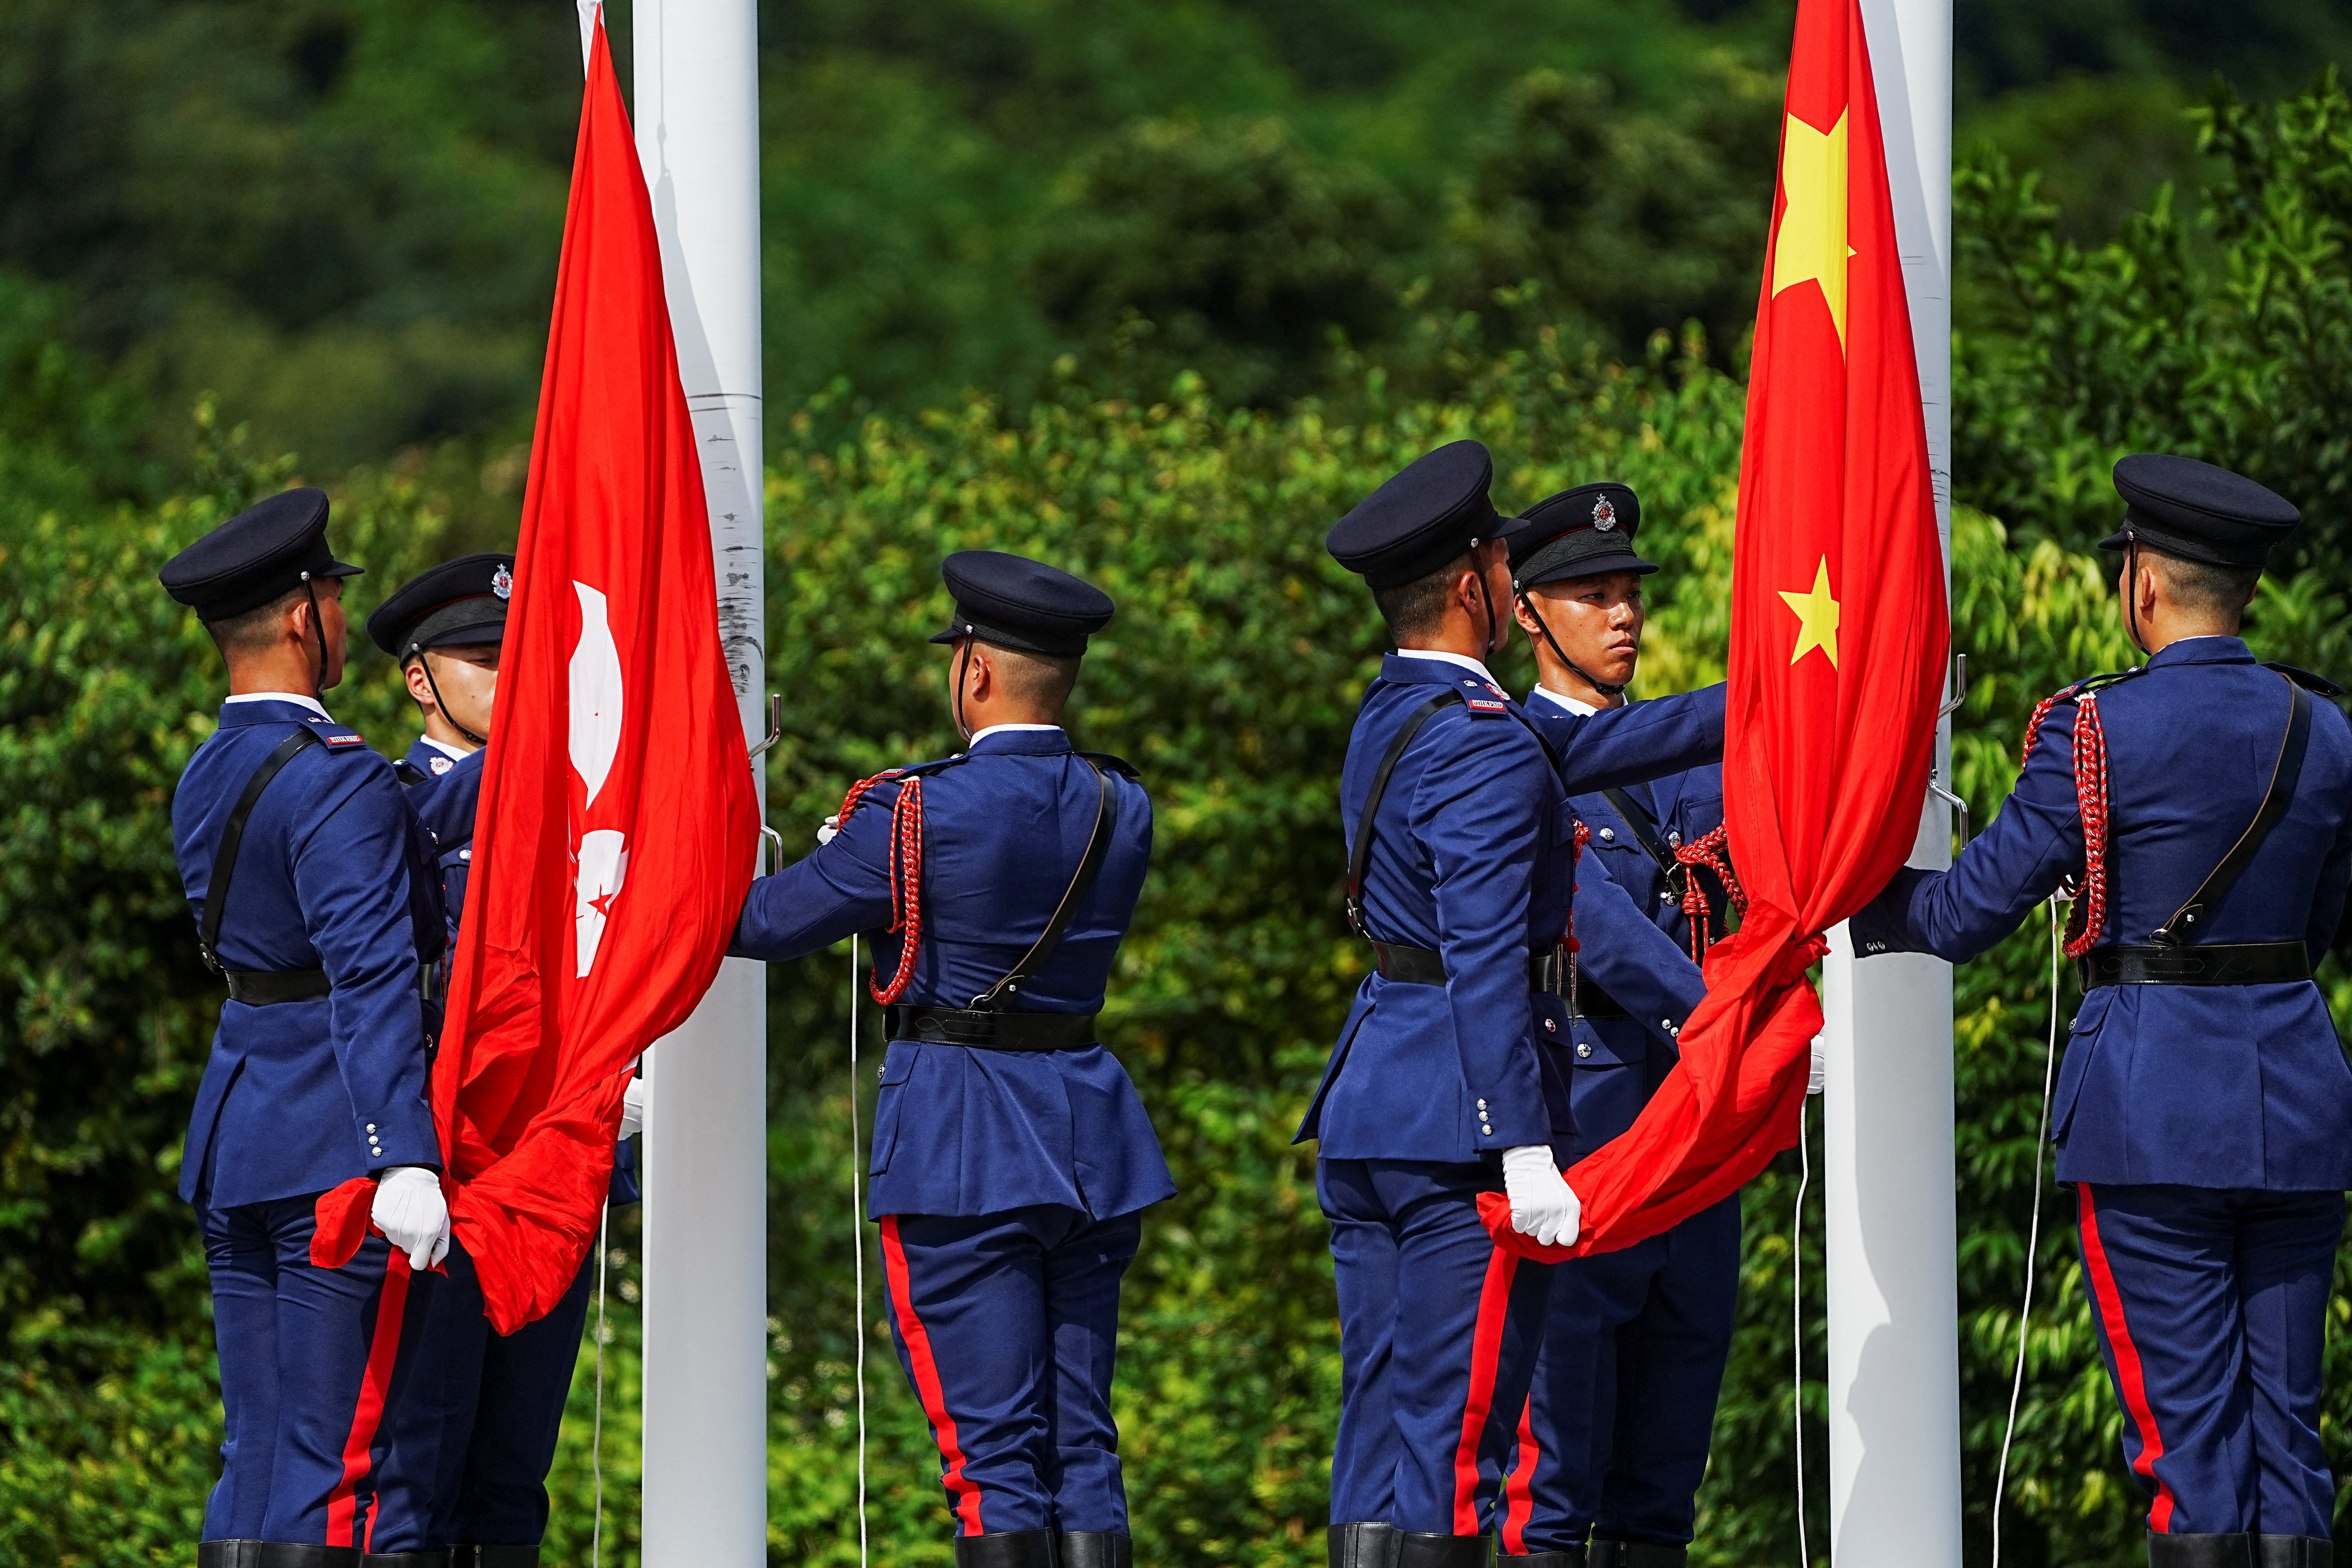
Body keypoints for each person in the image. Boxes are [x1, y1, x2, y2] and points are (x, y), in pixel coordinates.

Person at [1851, 455, 2352, 1568]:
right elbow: (2316, 925)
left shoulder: (2097, 729)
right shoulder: (2324, 728)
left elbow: (1971, 909)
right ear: (2248, 590)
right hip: (2300, 1110)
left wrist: (1846, 897)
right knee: (2289, 1442)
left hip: (2153, 1113)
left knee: (2190, 1454)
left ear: (2143, 586)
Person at [1304, 443, 1729, 1568]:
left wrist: (1787, 696)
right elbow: (1490, 954)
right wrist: (1524, 1145)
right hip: (1460, 1123)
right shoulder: (1487, 743)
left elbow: (1615, 740)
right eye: (1501, 560)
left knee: (1382, 1443)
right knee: (1461, 1456)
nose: (1509, 576)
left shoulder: (1396, 713)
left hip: (1375, 1105)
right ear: (1473, 588)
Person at [730, 551, 1169, 1568]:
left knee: (993, 1459)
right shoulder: (1122, 803)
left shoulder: (915, 811)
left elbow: (761, 923)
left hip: (963, 1143)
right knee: (1084, 1445)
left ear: (973, 671)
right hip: (1092, 1139)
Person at [160, 487, 453, 1568]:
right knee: (336, 1462)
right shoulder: (338, 781)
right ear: (302, 618)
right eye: (333, 595)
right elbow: (373, 975)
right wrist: (404, 1155)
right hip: (340, 1139)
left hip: (241, 1125)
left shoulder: (208, 769)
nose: (337, 615)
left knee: (259, 1450)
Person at [363, 553, 638, 1568]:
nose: (513, 679)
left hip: (552, 1165)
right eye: (485, 659)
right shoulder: (384, 799)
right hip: (445, 1168)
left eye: (526, 658)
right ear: (420, 679)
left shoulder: (578, 807)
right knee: (416, 1478)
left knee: (513, 1484)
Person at [1491, 484, 1748, 1568]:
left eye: (1630, 593)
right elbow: (1589, 917)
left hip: (1697, 1134)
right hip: (1588, 1124)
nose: (1624, 615)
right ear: (1531, 617)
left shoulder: (1691, 758)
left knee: (1662, 1482)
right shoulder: (1507, 753)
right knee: (1556, 1474)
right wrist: (1735, 1019)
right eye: (1592, 596)